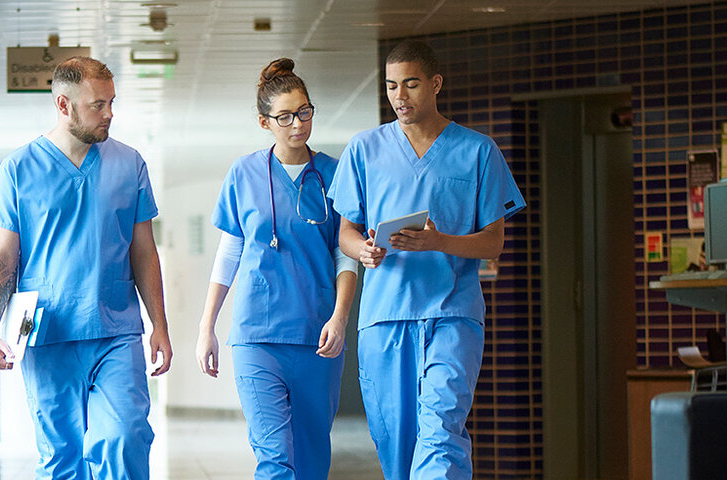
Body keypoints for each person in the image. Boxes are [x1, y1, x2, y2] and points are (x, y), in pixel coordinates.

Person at [328, 40, 525, 480]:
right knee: (395, 444)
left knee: (440, 431)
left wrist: (440, 242)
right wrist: (363, 249)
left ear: (435, 84)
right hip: (384, 318)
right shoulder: (365, 150)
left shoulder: (478, 151)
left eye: (411, 84)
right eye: (392, 86)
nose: (400, 96)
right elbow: (345, 233)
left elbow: (493, 243)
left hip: (452, 313)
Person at [0, 56, 172, 479]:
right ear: (64, 106)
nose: (109, 114)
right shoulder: (18, 169)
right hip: (46, 333)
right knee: (62, 458)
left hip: (115, 330)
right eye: (97, 105)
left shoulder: (129, 164)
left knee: (125, 437)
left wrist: (160, 325)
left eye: (111, 102)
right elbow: (3, 258)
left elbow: (144, 251)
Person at [196, 57, 359, 480]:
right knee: (274, 457)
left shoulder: (333, 174)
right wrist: (207, 326)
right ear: (264, 121)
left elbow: (345, 254)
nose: (298, 124)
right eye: (284, 116)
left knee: (311, 457)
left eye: (304, 112)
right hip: (256, 337)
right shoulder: (244, 173)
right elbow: (230, 251)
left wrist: (341, 318)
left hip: (316, 335)